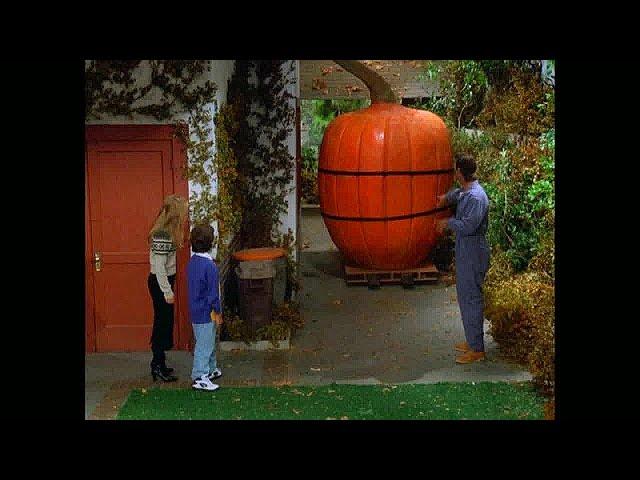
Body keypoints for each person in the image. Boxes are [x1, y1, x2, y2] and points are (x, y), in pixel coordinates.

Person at [436, 153, 490, 364]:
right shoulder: (468, 191)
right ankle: (472, 339)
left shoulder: (476, 198)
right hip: (466, 250)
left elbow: (469, 225)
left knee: (471, 298)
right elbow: (459, 195)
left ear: (459, 172)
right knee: (465, 297)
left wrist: (447, 223)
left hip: (474, 250)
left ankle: (477, 349)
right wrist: (445, 198)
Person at [148, 194, 189, 382]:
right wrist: (167, 291)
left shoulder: (168, 231)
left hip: (163, 281)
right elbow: (158, 267)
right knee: (161, 323)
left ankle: (160, 363)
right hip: (160, 282)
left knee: (164, 322)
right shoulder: (162, 234)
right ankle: (157, 365)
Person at [187, 224, 223, 392]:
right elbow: (213, 293)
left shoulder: (192, 262)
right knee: (206, 343)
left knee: (205, 340)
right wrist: (217, 310)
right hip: (207, 311)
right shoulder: (210, 266)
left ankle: (211, 368)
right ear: (210, 243)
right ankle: (200, 375)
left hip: (196, 310)